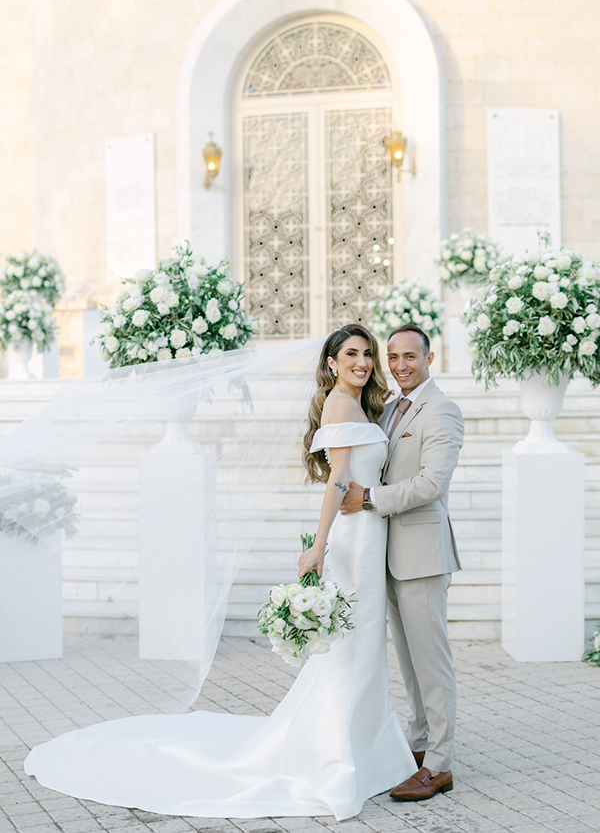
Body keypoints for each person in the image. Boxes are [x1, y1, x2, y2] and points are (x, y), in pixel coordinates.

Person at [24, 323, 415, 821]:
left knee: (361, 647)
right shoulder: (340, 404)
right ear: (332, 362)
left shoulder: (363, 405)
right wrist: (318, 546)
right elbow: (338, 479)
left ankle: (365, 749)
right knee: (349, 648)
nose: (361, 362)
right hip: (352, 540)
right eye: (351, 354)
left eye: (367, 354)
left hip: (370, 535)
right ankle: (336, 756)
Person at [341, 324, 463, 802]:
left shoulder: (443, 410)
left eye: (409, 356)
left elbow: (433, 483)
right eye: (392, 357)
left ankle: (440, 764)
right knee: (410, 666)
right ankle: (418, 746)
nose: (400, 365)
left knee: (432, 664)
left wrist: (370, 497)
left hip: (423, 556)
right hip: (388, 556)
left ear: (429, 358)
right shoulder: (390, 408)